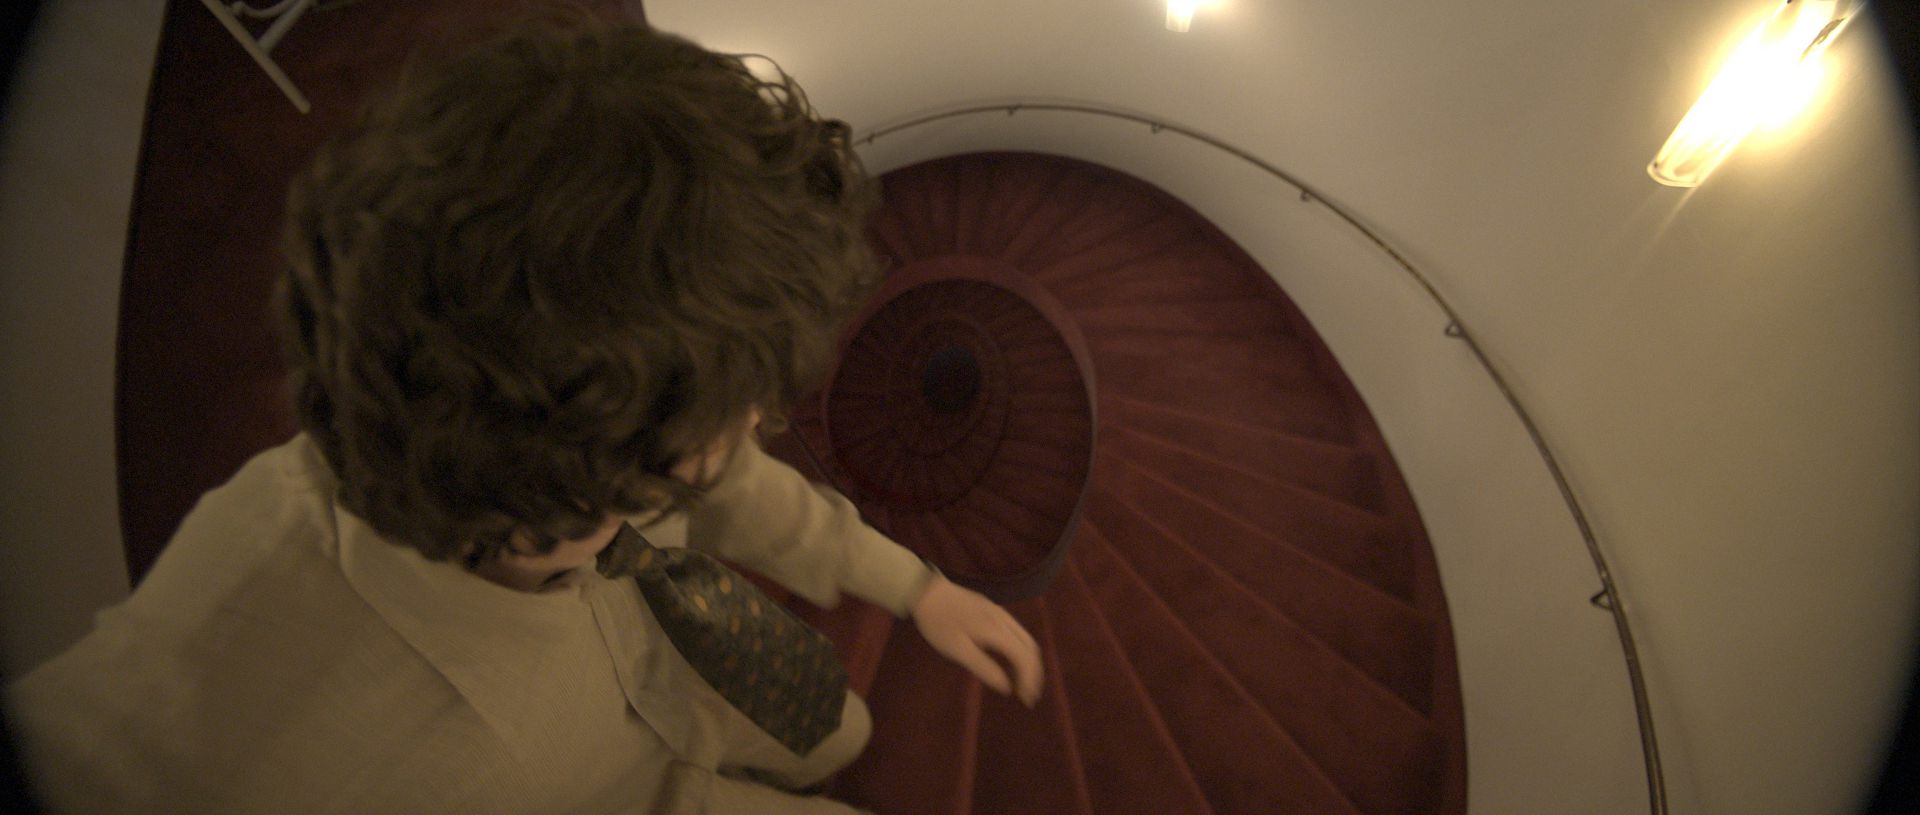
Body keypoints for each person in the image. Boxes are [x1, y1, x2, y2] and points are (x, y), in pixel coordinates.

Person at [6, 16, 1042, 814]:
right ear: (586, 483)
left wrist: (913, 585)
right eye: (731, 420)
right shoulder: (234, 731)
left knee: (836, 736)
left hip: (713, 680)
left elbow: (729, 483)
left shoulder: (591, 417)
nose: (768, 421)